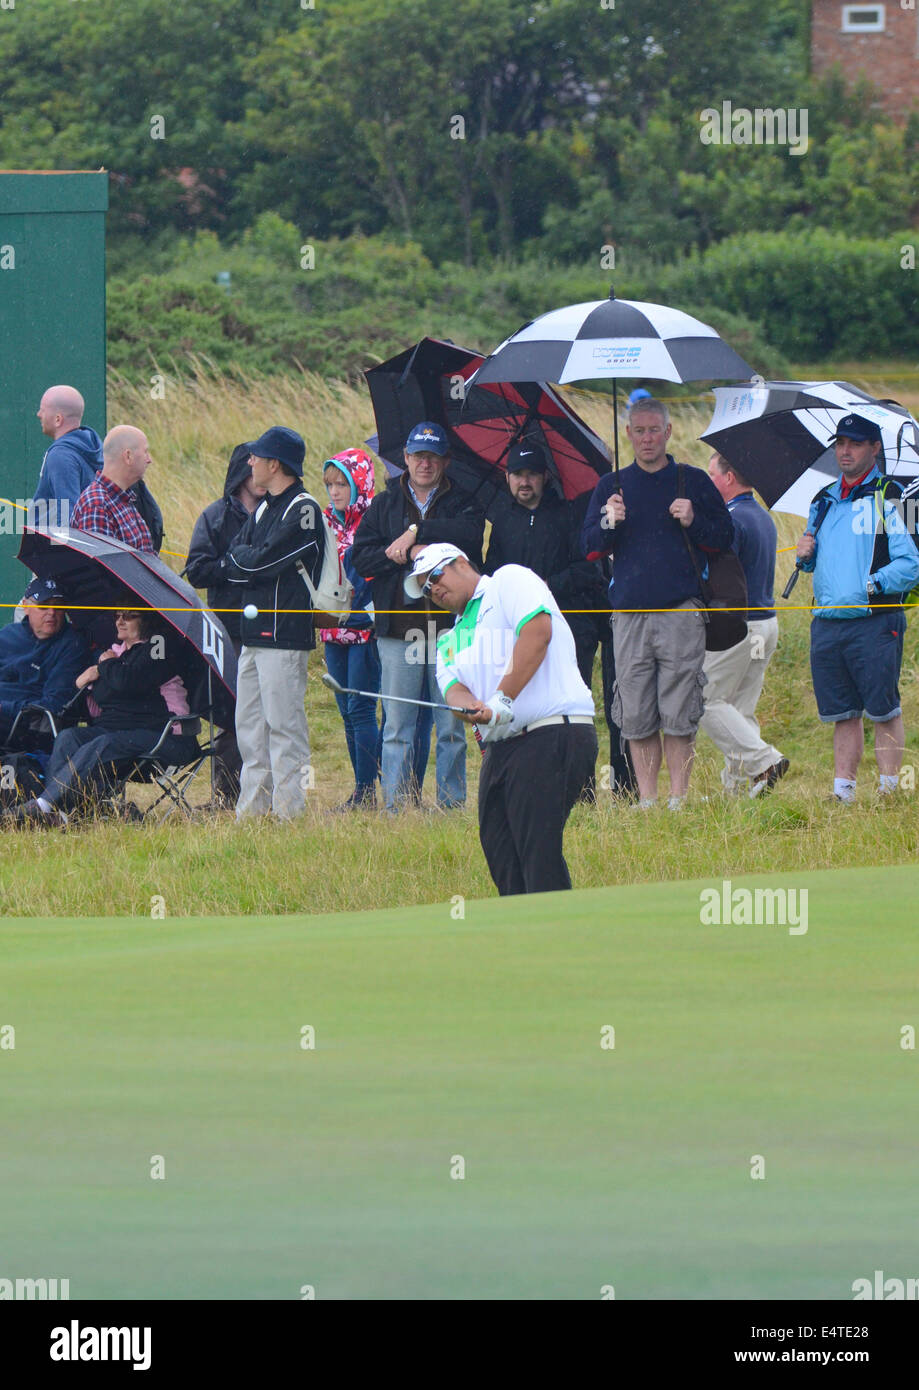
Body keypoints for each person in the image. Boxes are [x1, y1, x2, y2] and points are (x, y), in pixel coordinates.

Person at [406, 543, 596, 894]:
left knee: (537, 850)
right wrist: (472, 708)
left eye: (434, 576)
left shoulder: (508, 580)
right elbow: (454, 692)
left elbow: (538, 632)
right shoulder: (448, 640)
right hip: (502, 747)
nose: (432, 589)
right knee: (501, 852)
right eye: (424, 588)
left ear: (461, 562)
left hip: (552, 731)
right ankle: (525, 940)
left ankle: (561, 937)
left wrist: (502, 697)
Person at [582, 397, 734, 809]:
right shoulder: (609, 487)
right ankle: (648, 800)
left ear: (668, 433)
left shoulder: (693, 482)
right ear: (628, 434)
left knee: (679, 707)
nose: (647, 438)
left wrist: (693, 519)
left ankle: (678, 798)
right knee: (635, 709)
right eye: (639, 430)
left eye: (654, 430)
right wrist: (608, 520)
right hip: (628, 615)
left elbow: (723, 538)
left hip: (680, 611)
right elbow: (590, 549)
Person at [485, 438, 633, 796]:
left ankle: (584, 789)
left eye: (532, 474)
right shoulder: (503, 519)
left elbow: (588, 569)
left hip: (573, 628)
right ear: (507, 478)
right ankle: (542, 786)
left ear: (545, 476)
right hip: (521, 634)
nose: (524, 482)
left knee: (575, 713)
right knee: (532, 712)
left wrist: (544, 588)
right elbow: (493, 573)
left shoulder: (569, 512)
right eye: (517, 474)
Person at [351, 421, 485, 813]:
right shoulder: (384, 502)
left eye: (432, 456)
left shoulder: (464, 500)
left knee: (451, 726)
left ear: (445, 460)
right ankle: (395, 808)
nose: (424, 463)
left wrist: (418, 533)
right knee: (397, 725)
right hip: (398, 629)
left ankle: (450, 805)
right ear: (405, 458)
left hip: (449, 629)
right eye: (417, 455)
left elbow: (471, 536)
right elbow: (363, 556)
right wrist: (411, 553)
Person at [795, 413, 919, 803]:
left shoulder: (893, 494)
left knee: (883, 709)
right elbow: (814, 563)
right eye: (840, 443)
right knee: (841, 713)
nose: (844, 451)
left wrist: (873, 585)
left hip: (876, 620)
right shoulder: (823, 500)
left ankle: (889, 791)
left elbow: (912, 563)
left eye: (855, 443)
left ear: (874, 449)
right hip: (827, 621)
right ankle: (843, 792)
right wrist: (805, 556)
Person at [7, 610, 198, 827]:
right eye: (117, 616)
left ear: (145, 619)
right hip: (124, 736)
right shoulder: (115, 654)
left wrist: (106, 665)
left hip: (166, 738)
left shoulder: (160, 646)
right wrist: (83, 682)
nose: (120, 621)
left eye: (129, 615)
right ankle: (61, 815)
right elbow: (94, 708)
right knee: (69, 738)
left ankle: (42, 805)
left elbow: (131, 681)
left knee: (104, 743)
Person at [224, 426, 324, 821]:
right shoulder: (264, 507)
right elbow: (232, 559)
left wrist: (249, 560)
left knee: (285, 729)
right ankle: (250, 815)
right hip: (254, 634)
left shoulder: (303, 509)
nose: (249, 462)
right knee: (249, 727)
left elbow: (262, 563)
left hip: (284, 636)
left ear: (275, 463)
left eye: (256, 456)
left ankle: (289, 816)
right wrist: (249, 560)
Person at [700, 451, 788, 797]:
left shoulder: (732, 520)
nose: (709, 482)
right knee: (740, 707)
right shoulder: (764, 518)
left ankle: (765, 760)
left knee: (705, 698)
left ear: (729, 477)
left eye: (712, 474)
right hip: (767, 624)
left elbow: (720, 575)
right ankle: (737, 789)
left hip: (742, 626)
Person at [184, 442, 267, 805]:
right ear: (241, 473)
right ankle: (227, 795)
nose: (262, 477)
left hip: (270, 627)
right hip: (228, 632)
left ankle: (265, 792)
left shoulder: (279, 514)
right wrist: (236, 567)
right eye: (255, 469)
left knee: (269, 713)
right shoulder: (214, 516)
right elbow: (197, 570)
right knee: (234, 713)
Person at [319, 449, 381, 810]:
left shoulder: (374, 520)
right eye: (329, 484)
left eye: (342, 483)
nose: (335, 491)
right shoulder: (324, 521)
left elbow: (373, 572)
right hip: (331, 627)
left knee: (361, 707)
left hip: (364, 628)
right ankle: (361, 789)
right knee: (344, 707)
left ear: (360, 483)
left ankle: (366, 790)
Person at [0, 578, 90, 743]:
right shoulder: (7, 635)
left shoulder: (72, 644)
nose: (51, 612)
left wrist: (3, 708)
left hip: (24, 725)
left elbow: (54, 703)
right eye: (43, 605)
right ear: (26, 607)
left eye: (58, 606)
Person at [71, 426, 156, 552]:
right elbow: (100, 568)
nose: (149, 460)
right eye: (145, 452)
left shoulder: (123, 499)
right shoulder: (97, 506)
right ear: (128, 456)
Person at [33, 385, 104, 519]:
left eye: (42, 410)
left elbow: (68, 519)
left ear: (58, 419)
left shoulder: (60, 456)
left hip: (57, 539)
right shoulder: (93, 446)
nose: (38, 415)